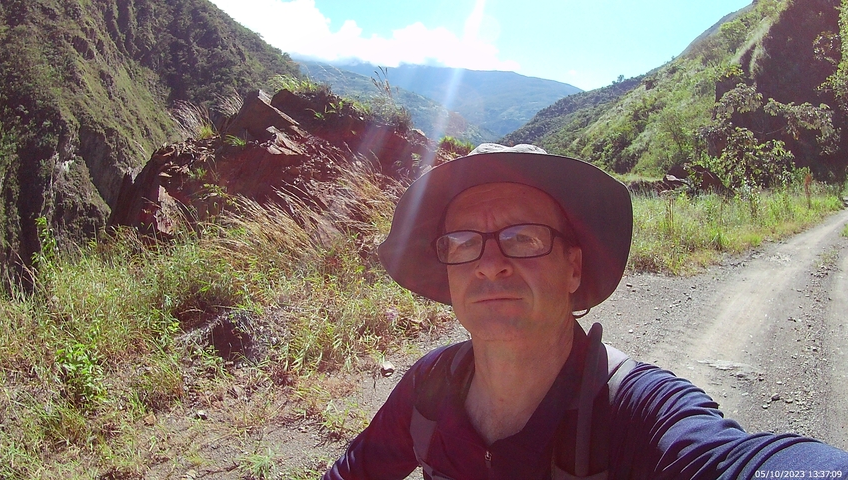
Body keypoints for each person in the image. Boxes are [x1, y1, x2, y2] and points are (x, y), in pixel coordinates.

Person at [324, 144, 848, 479]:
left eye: (522, 238)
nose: (489, 264)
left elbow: (730, 463)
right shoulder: (429, 387)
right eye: (463, 244)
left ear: (573, 268)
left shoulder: (636, 411)